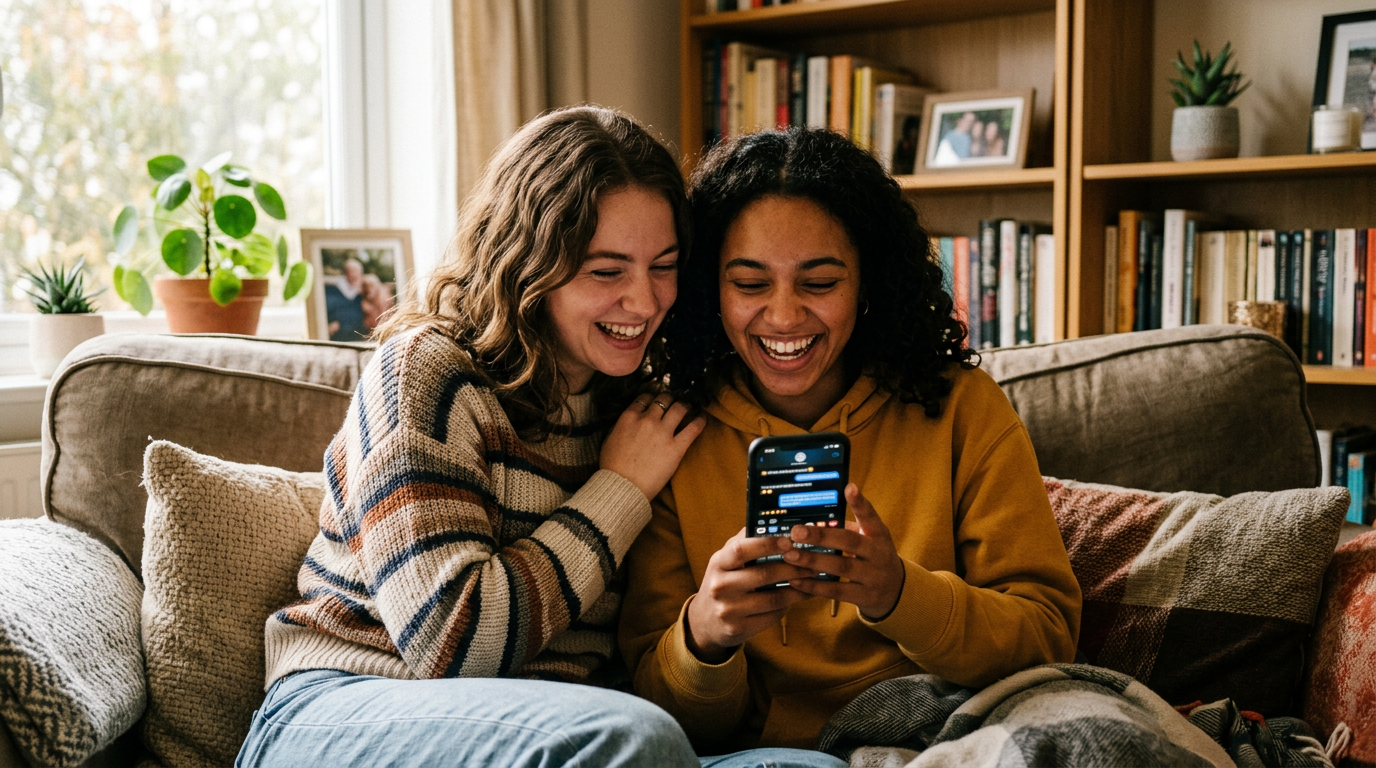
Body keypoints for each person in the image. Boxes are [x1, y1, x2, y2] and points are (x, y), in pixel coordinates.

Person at [237, 106, 708, 768]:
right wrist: (620, 489)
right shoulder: (427, 374)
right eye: (607, 271)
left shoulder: (638, 402)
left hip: (553, 729)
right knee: (633, 739)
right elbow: (449, 642)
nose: (645, 299)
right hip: (344, 703)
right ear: (528, 262)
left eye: (665, 265)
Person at [619, 128, 1082, 762]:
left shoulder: (959, 408)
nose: (783, 317)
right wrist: (705, 635)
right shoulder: (671, 435)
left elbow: (1049, 637)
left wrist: (898, 594)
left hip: (953, 729)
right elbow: (658, 722)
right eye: (750, 284)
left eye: (819, 282)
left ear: (867, 284)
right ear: (709, 290)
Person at [324, 257, 367, 340]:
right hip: (337, 337)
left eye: (357, 271)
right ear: (345, 273)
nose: (354, 275)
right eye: (351, 271)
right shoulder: (332, 292)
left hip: (357, 336)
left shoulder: (363, 293)